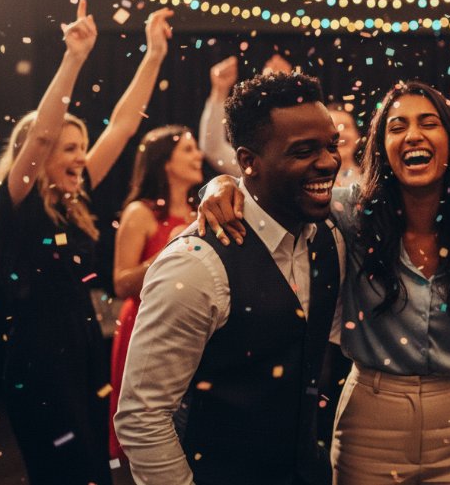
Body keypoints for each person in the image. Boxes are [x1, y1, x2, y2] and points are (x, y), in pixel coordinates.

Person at [198, 81, 450, 484]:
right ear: (381, 147)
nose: (413, 135)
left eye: (429, 123)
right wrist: (220, 185)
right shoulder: (354, 212)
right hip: (372, 420)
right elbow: (274, 189)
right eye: (397, 127)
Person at [115, 73, 343, 485]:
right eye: (304, 151)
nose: (328, 162)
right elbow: (142, 417)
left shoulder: (330, 239)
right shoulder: (195, 266)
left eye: (332, 145)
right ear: (248, 161)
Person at [0, 0, 172, 485]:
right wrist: (74, 58)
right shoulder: (15, 206)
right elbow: (41, 136)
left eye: (82, 148)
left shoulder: (73, 200)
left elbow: (124, 125)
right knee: (65, 472)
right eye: (69, 149)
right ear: (38, 154)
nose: (81, 158)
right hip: (41, 359)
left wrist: (153, 54)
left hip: (84, 346)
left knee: (95, 470)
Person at [107, 125, 204, 460]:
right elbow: (121, 283)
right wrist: (170, 250)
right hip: (146, 327)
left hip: (191, 330)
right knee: (152, 430)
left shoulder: (198, 212)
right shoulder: (140, 212)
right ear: (165, 162)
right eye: (188, 150)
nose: (199, 156)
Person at [327, 102, 363, 188]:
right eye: (333, 127)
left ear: (357, 135)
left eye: (345, 126)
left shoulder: (372, 179)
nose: (340, 133)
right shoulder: (309, 181)